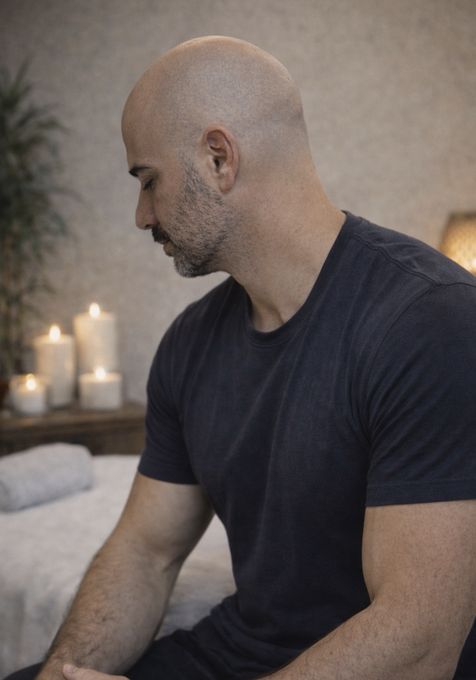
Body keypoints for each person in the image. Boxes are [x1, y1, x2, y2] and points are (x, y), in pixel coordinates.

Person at [6, 35, 476, 680]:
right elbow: (146, 551)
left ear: (218, 158)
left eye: (148, 180)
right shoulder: (189, 343)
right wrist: (65, 671)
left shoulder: (430, 320)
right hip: (238, 656)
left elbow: (422, 640)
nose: (141, 215)